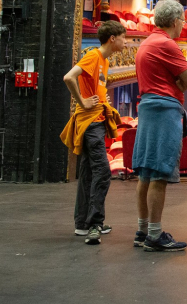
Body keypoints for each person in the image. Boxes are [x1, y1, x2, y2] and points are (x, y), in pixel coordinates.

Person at [132, 0, 187, 252]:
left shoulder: (147, 42)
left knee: (146, 173)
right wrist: (177, 85)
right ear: (174, 21)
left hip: (148, 107)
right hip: (164, 110)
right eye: (182, 20)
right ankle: (155, 235)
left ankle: (143, 229)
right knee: (159, 173)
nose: (183, 25)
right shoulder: (166, 44)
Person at [60, 20, 127, 245]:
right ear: (113, 39)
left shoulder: (103, 60)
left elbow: (94, 84)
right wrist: (83, 101)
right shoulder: (93, 56)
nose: (125, 42)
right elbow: (69, 77)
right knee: (102, 171)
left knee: (88, 172)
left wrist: (101, 97)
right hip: (90, 122)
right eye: (123, 37)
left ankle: (82, 223)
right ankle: (95, 224)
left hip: (94, 119)